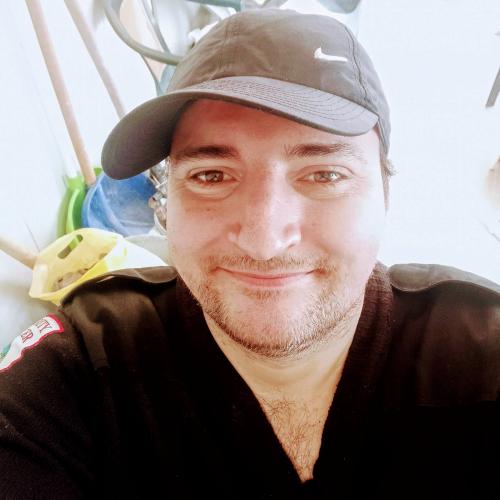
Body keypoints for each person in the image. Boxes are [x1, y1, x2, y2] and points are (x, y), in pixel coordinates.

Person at [1, 8, 499, 499]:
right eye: (211, 176)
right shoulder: (83, 372)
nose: (264, 241)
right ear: (166, 203)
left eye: (325, 174)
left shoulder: (479, 355)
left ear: (385, 196)